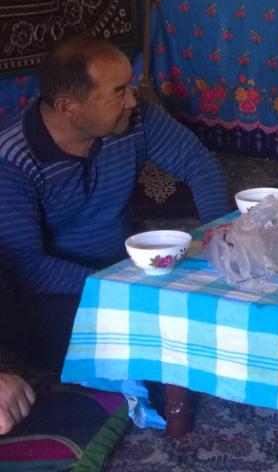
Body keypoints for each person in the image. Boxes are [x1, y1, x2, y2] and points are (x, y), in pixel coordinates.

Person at [0, 35, 230, 370]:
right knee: (140, 339)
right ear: (68, 107)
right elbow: (25, 267)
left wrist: (218, 231)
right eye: (118, 92)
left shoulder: (134, 118)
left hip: (124, 268)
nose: (133, 101)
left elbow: (197, 163)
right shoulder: (12, 159)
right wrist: (116, 287)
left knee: (212, 300)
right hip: (53, 294)